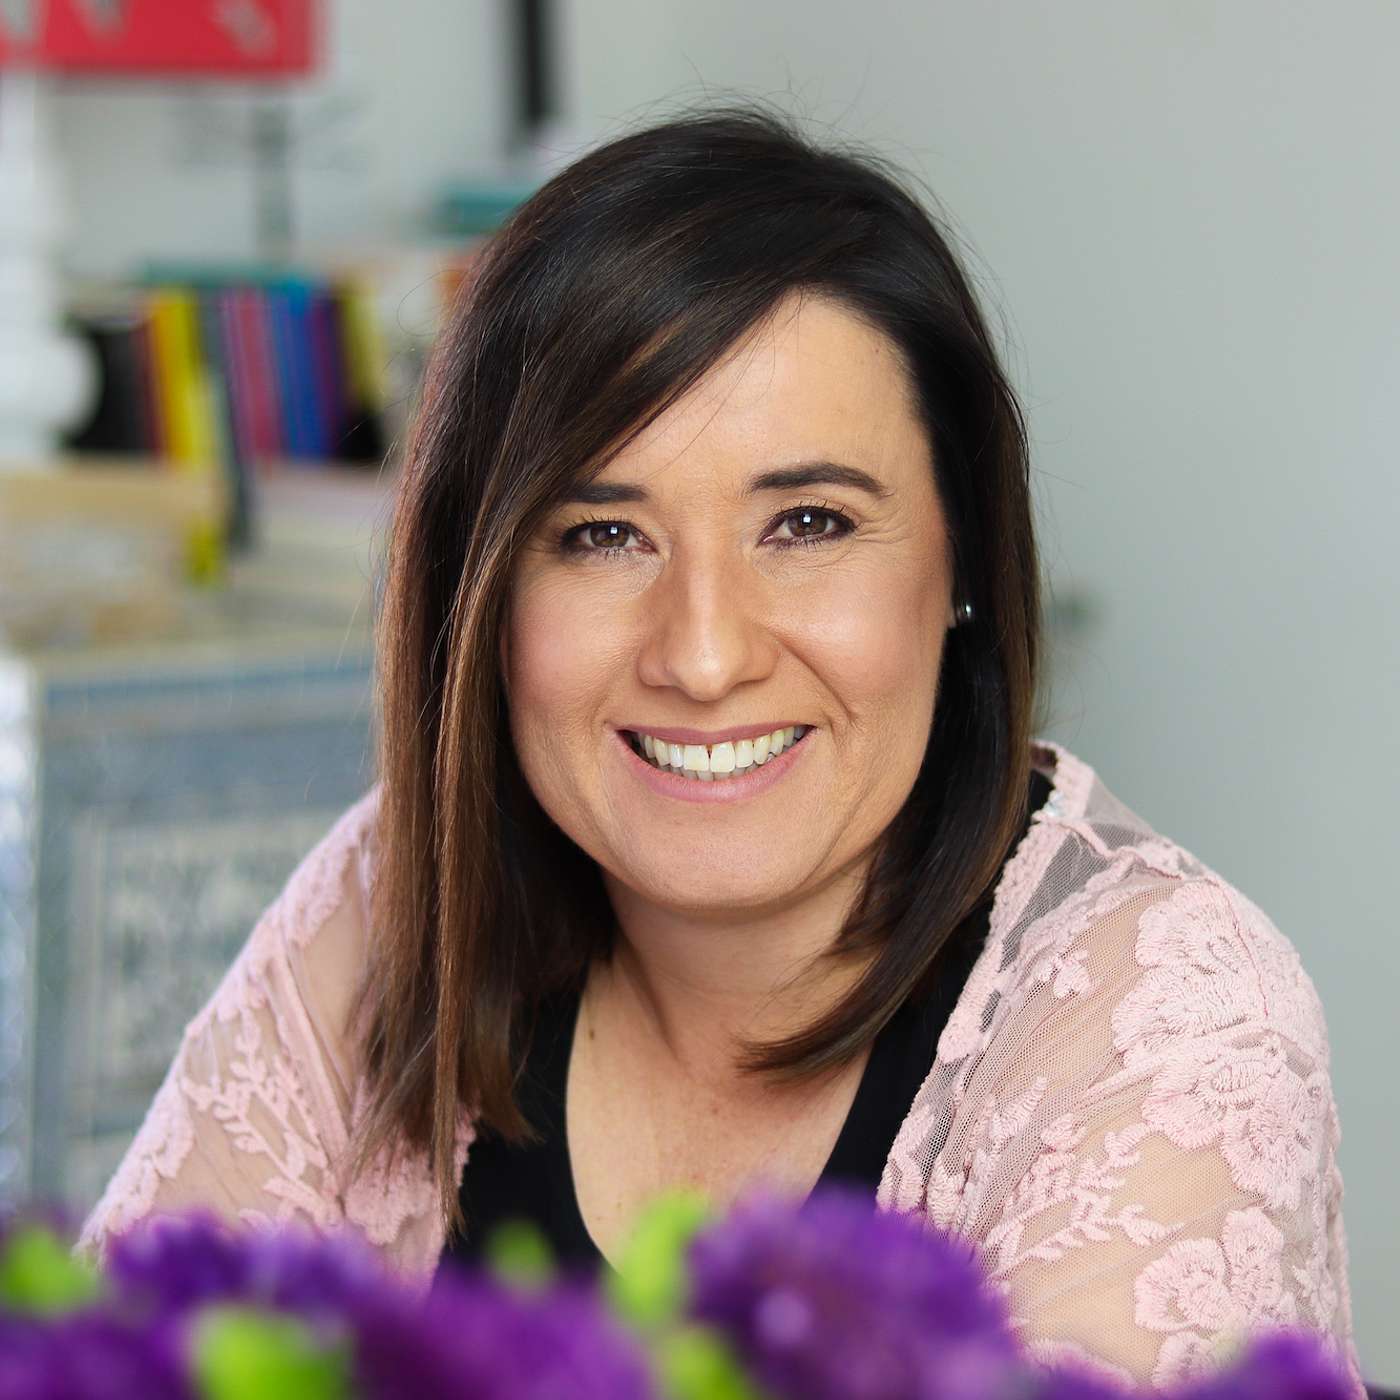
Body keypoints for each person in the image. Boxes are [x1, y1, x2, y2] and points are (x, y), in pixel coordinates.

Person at [76, 103, 1364, 1394]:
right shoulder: (391, 901)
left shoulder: (1164, 1022)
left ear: (964, 555)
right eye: (602, 535)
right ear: (483, 593)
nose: (702, 655)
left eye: (808, 524)